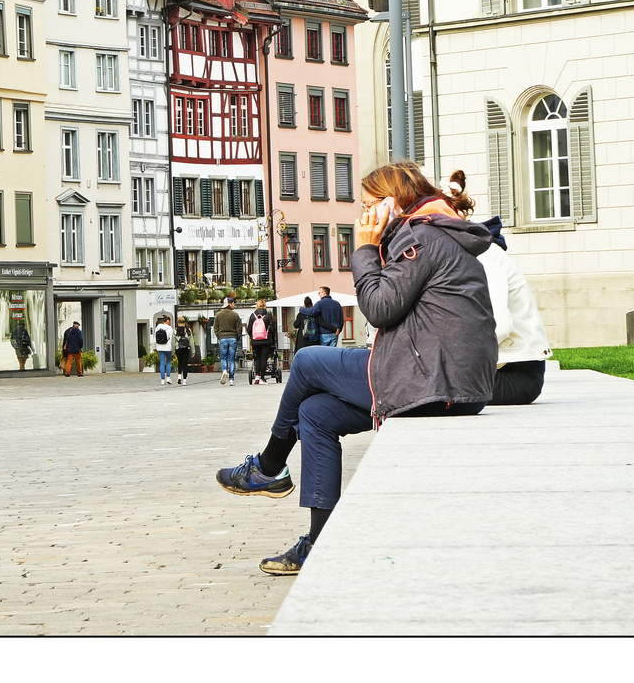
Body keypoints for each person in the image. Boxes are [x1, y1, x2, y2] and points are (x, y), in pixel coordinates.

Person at [215, 160, 498, 575]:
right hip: (440, 379)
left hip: (435, 383)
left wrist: (364, 248)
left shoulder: (420, 237)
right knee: (315, 414)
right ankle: (318, 544)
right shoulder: (430, 231)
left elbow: (381, 307)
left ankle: (269, 466)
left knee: (308, 361)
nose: (362, 215)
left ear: (392, 202)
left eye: (368, 205)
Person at [443, 170, 552, 405]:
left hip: (516, 375)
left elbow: (499, 326)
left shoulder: (483, 254)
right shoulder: (467, 251)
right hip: (501, 368)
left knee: (423, 390)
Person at [213, 296, 242, 385]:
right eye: (233, 303)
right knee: (232, 359)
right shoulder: (235, 315)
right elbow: (239, 328)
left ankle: (224, 370)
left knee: (223, 357)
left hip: (223, 338)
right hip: (233, 338)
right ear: (230, 304)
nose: (234, 305)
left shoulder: (218, 315)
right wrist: (237, 337)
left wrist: (219, 336)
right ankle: (231, 379)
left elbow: (215, 328)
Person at [247, 298, 276, 383]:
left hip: (255, 341)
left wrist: (252, 336)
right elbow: (273, 329)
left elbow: (249, 330)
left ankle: (256, 376)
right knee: (264, 358)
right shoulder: (268, 315)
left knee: (257, 358)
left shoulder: (252, 316)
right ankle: (262, 378)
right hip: (266, 340)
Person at [152, 317, 174, 385]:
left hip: (160, 347)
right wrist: (173, 348)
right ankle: (168, 377)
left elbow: (154, 338)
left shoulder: (157, 328)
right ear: (167, 321)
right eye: (169, 321)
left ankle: (162, 379)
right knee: (168, 362)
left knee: (162, 363)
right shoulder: (170, 329)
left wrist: (154, 347)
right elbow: (171, 339)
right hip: (168, 348)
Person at [174, 320, 194, 385]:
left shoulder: (175, 330)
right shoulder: (188, 331)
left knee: (180, 363)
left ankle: (179, 377)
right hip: (186, 349)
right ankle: (184, 380)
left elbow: (173, 342)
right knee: (185, 364)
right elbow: (191, 341)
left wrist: (173, 351)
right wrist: (193, 351)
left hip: (178, 348)